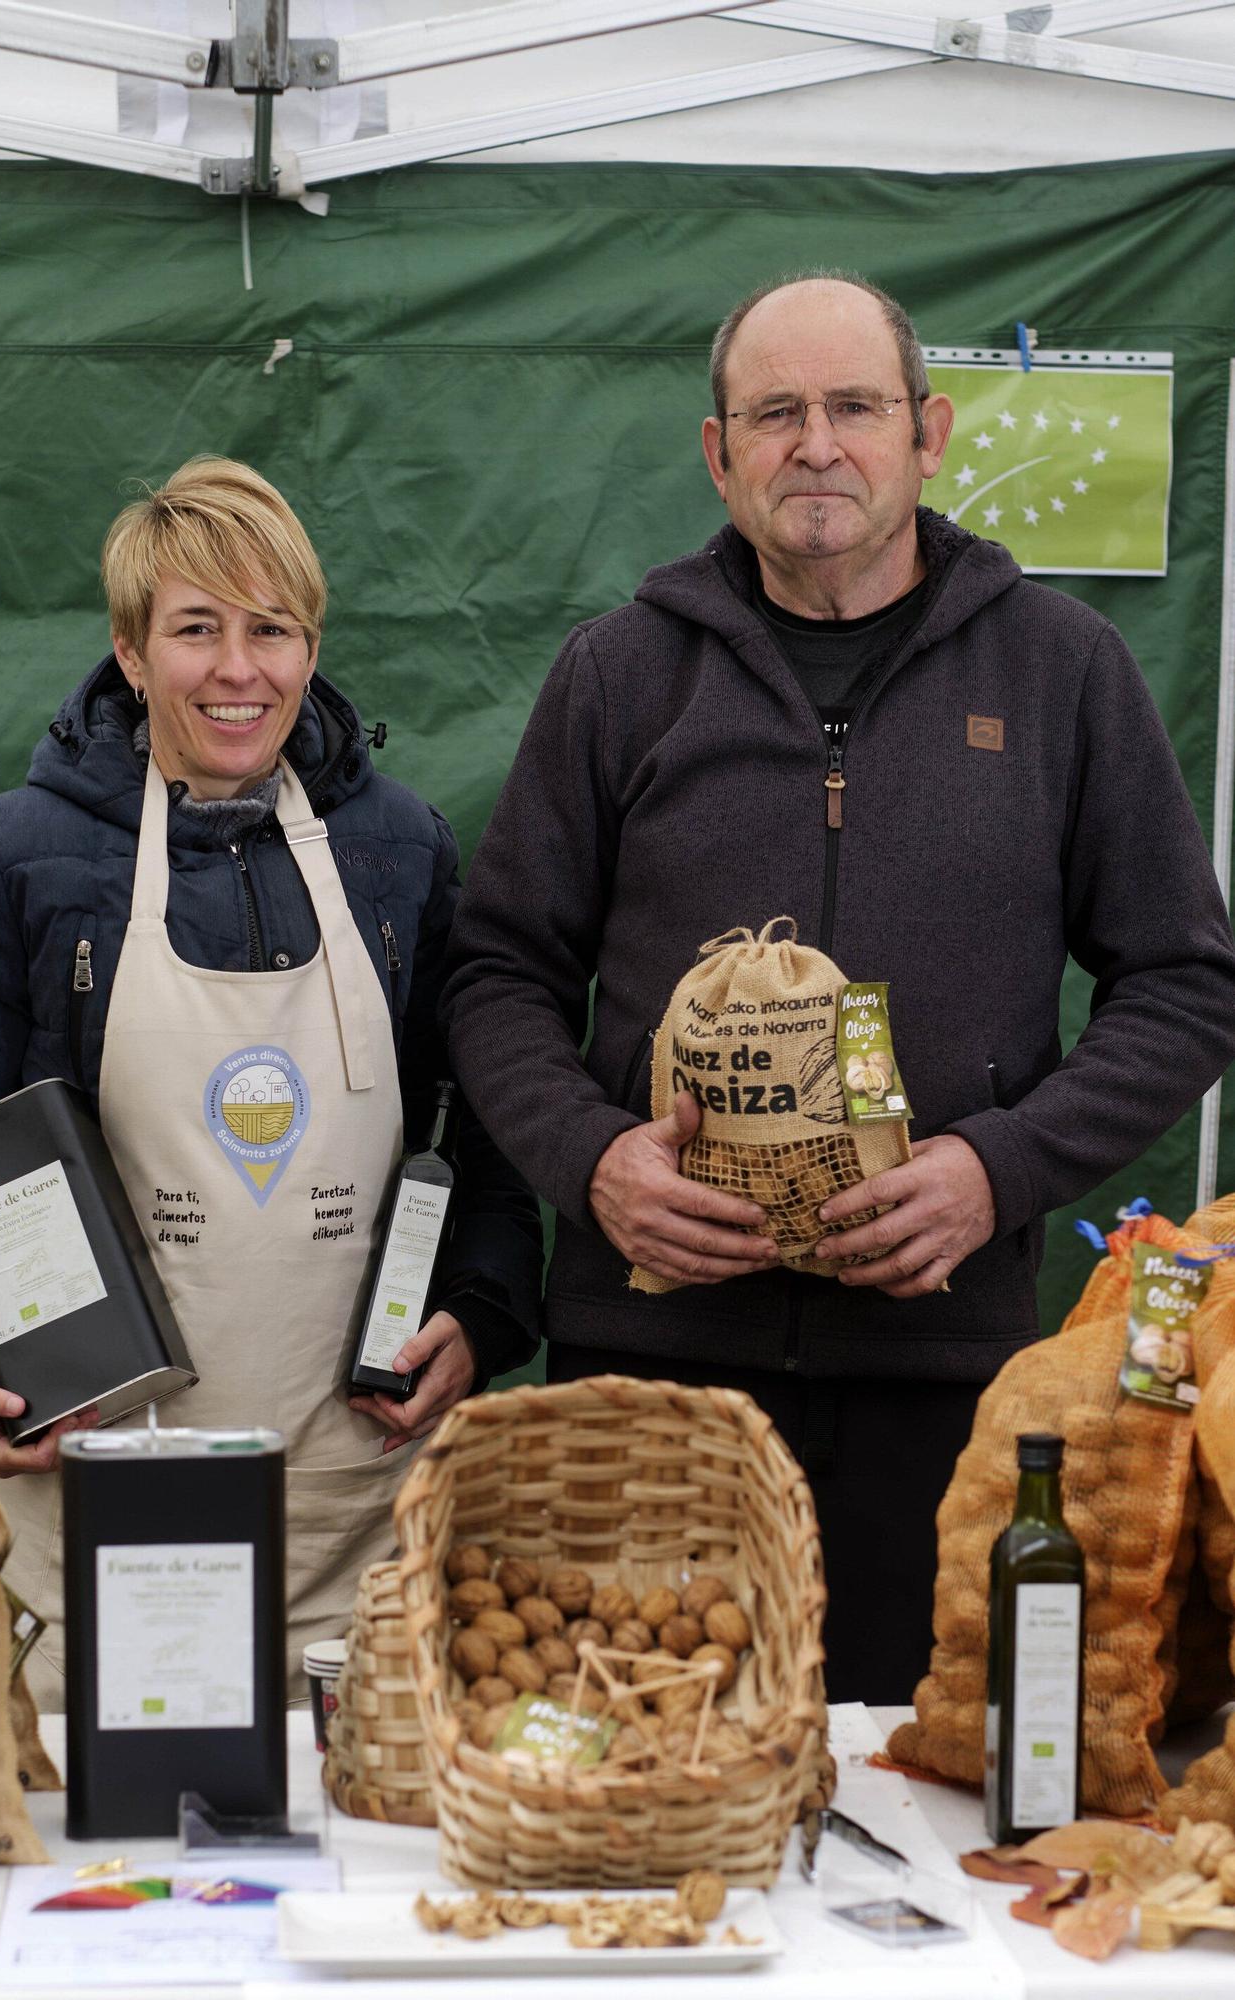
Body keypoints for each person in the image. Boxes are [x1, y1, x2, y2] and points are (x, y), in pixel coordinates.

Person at [441, 272, 1235, 1703]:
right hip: (653, 1372)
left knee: (916, 1806)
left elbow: (1182, 985)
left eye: (853, 406)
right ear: (716, 450)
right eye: (775, 412)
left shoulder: (1065, 674)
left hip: (944, 1378)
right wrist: (593, 1162)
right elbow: (498, 972)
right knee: (642, 1766)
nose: (816, 444)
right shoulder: (618, 677)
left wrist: (995, 1172)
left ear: (926, 432)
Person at [0, 455, 541, 1706]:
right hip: (101, 1502)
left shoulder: (400, 851)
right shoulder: (11, 858)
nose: (240, 670)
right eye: (196, 629)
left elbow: (485, 1132)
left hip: (358, 1514)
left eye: (271, 629)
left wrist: (485, 1312)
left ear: (311, 642)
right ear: (129, 650)